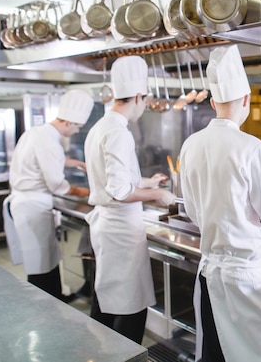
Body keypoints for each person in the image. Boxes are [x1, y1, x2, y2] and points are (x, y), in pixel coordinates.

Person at [178, 45, 261, 362]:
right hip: (245, 278)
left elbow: (193, 212)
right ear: (246, 101)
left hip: (210, 271)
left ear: (212, 102)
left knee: (213, 355)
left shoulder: (191, 145)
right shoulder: (252, 147)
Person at [83, 55, 176, 344]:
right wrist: (158, 194)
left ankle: (101, 352)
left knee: (108, 301)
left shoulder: (101, 127)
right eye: (145, 100)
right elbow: (120, 191)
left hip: (109, 227)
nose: (145, 105)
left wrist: (148, 182)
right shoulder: (119, 132)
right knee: (130, 307)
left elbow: (115, 179)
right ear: (138, 96)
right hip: (120, 232)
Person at [4, 89, 95, 301]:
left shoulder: (36, 132)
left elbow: (37, 160)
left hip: (24, 203)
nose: (76, 131)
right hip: (33, 207)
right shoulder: (50, 141)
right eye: (78, 127)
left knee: (45, 259)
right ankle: (45, 305)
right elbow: (57, 185)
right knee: (40, 262)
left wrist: (72, 162)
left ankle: (55, 299)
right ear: (69, 123)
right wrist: (84, 192)